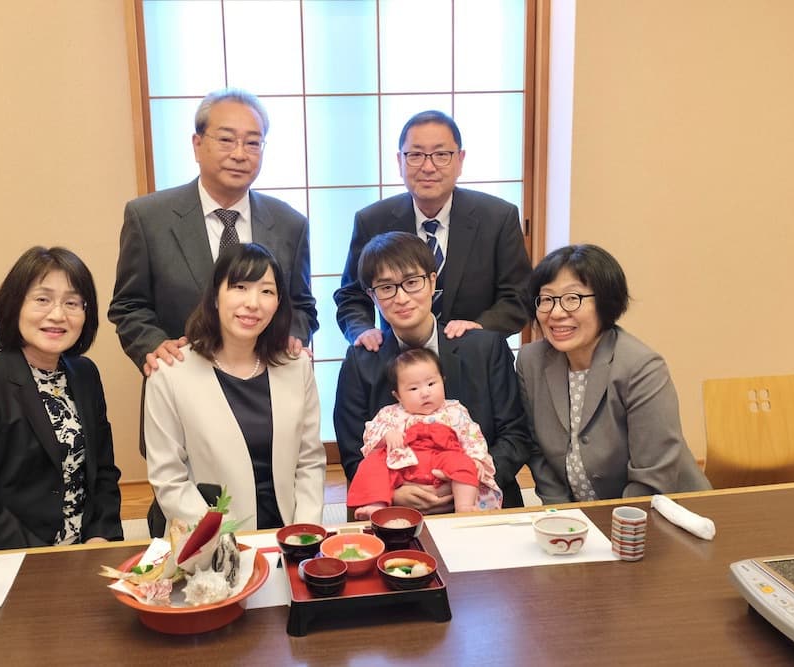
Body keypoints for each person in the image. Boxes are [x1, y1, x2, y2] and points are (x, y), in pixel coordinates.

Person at [107, 88, 318, 535]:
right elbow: (128, 305)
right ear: (197, 143)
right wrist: (156, 349)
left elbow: (301, 303)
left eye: (253, 141)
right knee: (186, 518)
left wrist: (292, 335)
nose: (241, 153)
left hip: (265, 385)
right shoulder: (149, 217)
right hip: (189, 395)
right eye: (226, 139)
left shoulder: (290, 222)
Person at [0, 247, 123, 553]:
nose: (58, 314)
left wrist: (99, 538)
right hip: (4, 559)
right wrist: (49, 560)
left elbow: (103, 472)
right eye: (42, 299)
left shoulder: (85, 374)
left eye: (72, 302)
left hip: (82, 553)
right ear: (15, 305)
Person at [335, 231, 532, 511]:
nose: (401, 298)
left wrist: (467, 482)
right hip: (398, 512)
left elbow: (516, 436)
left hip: (481, 505)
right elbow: (352, 451)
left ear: (431, 281)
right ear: (372, 296)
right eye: (386, 288)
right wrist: (394, 491)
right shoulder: (361, 361)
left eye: (412, 282)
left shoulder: (484, 348)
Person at [144, 243, 325, 531]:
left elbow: (310, 462)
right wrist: (221, 542)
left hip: (288, 536)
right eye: (239, 287)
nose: (253, 303)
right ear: (215, 296)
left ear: (278, 303)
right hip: (208, 542)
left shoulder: (296, 367)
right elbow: (169, 479)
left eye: (267, 291)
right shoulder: (169, 373)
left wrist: (303, 534)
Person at [517, 244, 712, 504]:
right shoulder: (531, 362)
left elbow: (653, 476)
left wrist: (610, 532)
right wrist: (562, 516)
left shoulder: (641, 367)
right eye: (547, 299)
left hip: (663, 513)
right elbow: (538, 452)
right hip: (579, 524)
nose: (556, 312)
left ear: (605, 303)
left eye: (572, 298)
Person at [334, 110, 531, 352]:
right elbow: (351, 296)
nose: (428, 166)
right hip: (398, 362)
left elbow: (518, 298)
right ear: (400, 161)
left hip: (474, 359)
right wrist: (363, 329)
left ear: (460, 160)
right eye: (415, 155)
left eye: (441, 155)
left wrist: (477, 329)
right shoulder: (372, 221)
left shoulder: (498, 218)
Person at [347, 348, 501, 519]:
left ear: (443, 381)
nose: (425, 393)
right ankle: (376, 504)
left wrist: (476, 458)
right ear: (397, 395)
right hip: (404, 463)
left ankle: (465, 506)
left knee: (465, 464)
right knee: (373, 462)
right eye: (413, 388)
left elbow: (472, 435)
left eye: (431, 384)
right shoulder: (390, 413)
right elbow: (371, 433)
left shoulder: (455, 410)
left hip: (444, 458)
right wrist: (387, 435)